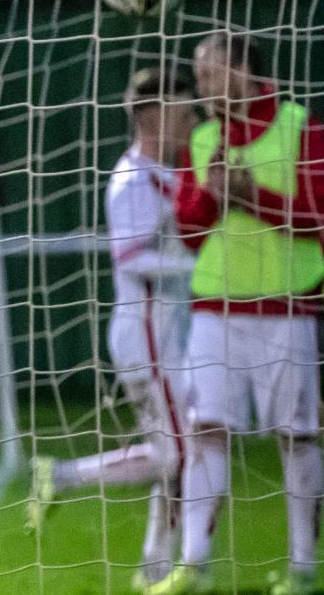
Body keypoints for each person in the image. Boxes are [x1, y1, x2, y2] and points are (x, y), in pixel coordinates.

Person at [151, 31, 324, 595]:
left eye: (211, 72)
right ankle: (193, 565)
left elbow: (317, 217)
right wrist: (214, 194)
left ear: (245, 72)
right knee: (205, 430)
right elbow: (190, 231)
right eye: (199, 74)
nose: (202, 86)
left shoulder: (300, 126)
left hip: (286, 308)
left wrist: (254, 198)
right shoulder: (202, 139)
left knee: (297, 437)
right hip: (215, 308)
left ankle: (302, 568)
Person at [25, 69, 199, 589]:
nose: (191, 118)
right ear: (151, 114)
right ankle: (64, 476)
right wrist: (202, 268)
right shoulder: (133, 180)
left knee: (178, 453)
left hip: (167, 334)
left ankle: (155, 568)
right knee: (182, 455)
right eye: (183, 109)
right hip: (147, 336)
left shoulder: (167, 174)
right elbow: (131, 258)